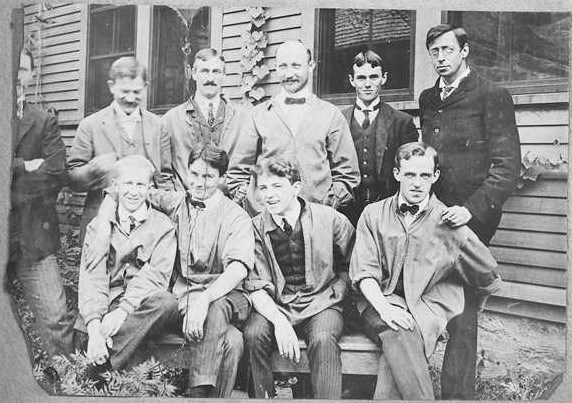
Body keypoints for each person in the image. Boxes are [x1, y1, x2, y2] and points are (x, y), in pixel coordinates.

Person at [95, 142, 254, 398]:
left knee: (216, 310)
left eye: (208, 177)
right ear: (187, 171)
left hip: (225, 297)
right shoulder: (176, 202)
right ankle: (104, 360)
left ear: (222, 178)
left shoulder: (236, 216)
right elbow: (128, 190)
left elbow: (238, 270)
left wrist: (205, 297)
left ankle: (197, 393)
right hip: (184, 301)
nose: (199, 183)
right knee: (231, 341)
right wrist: (104, 220)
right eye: (194, 174)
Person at [349, 142, 502, 400]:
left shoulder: (448, 221)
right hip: (380, 301)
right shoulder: (372, 214)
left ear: (435, 177)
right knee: (398, 330)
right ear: (397, 174)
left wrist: (475, 294)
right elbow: (364, 273)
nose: (417, 183)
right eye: (409, 174)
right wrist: (386, 310)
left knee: (400, 345)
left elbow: (486, 271)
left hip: (426, 304)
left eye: (425, 175)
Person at [419, 24, 521, 399]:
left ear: (464, 51)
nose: (440, 58)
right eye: (434, 51)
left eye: (447, 50)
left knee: (462, 310)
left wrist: (471, 211)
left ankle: (457, 395)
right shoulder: (429, 98)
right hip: (432, 217)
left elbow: (507, 167)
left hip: (470, 221)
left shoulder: (492, 95)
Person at [243, 157, 355, 399]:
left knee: (323, 338)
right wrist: (279, 321)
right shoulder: (253, 228)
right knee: (253, 333)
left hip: (323, 303)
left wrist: (338, 290)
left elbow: (354, 264)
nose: (269, 195)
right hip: (276, 306)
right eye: (263, 188)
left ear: (295, 187)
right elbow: (254, 285)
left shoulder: (330, 219)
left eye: (277, 186)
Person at [227, 40, 360, 215]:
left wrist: (327, 207)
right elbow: (238, 172)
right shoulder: (257, 115)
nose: (289, 74)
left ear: (310, 66)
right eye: (283, 66)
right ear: (275, 68)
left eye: (296, 66)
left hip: (316, 219)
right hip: (268, 222)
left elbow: (347, 173)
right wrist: (257, 207)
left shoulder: (331, 114)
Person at [76, 155, 179, 370]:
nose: (134, 192)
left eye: (140, 184)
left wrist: (123, 311)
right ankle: (105, 356)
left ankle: (98, 369)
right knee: (83, 327)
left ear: (150, 187)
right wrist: (95, 327)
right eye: (128, 184)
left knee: (166, 302)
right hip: (108, 301)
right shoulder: (98, 227)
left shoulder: (164, 227)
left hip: (141, 305)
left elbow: (156, 277)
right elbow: (92, 278)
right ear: (115, 186)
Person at [9, 48, 74, 356]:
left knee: (56, 320)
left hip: (33, 238)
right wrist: (24, 166)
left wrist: (12, 174)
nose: (15, 75)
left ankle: (62, 386)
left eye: (22, 69)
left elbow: (56, 172)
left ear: (31, 75)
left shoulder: (43, 121)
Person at [68, 56, 173, 243]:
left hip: (149, 223)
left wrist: (170, 216)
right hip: (102, 223)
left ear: (146, 87)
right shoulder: (90, 125)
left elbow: (165, 177)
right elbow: (72, 179)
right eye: (124, 91)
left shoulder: (158, 126)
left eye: (137, 92)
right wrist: (94, 169)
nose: (131, 98)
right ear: (111, 86)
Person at [341, 50, 418, 225]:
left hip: (388, 213)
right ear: (352, 80)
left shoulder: (402, 122)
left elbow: (411, 172)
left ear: (384, 78)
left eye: (373, 77)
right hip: (347, 213)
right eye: (361, 78)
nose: (367, 84)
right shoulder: (338, 120)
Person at [162, 48, 247, 191]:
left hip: (230, 205)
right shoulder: (171, 120)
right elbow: (164, 173)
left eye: (216, 72)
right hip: (186, 206)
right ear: (193, 74)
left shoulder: (243, 119)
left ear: (224, 75)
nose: (210, 79)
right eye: (204, 71)